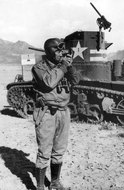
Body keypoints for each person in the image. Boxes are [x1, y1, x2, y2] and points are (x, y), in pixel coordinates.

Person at [31, 38, 80, 190]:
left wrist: (69, 66)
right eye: (58, 50)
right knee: (44, 150)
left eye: (62, 50)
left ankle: (54, 182)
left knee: (59, 150)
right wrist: (64, 66)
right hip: (47, 113)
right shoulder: (39, 67)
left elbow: (76, 80)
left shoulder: (63, 66)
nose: (61, 53)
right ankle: (39, 186)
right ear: (50, 51)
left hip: (63, 112)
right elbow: (49, 83)